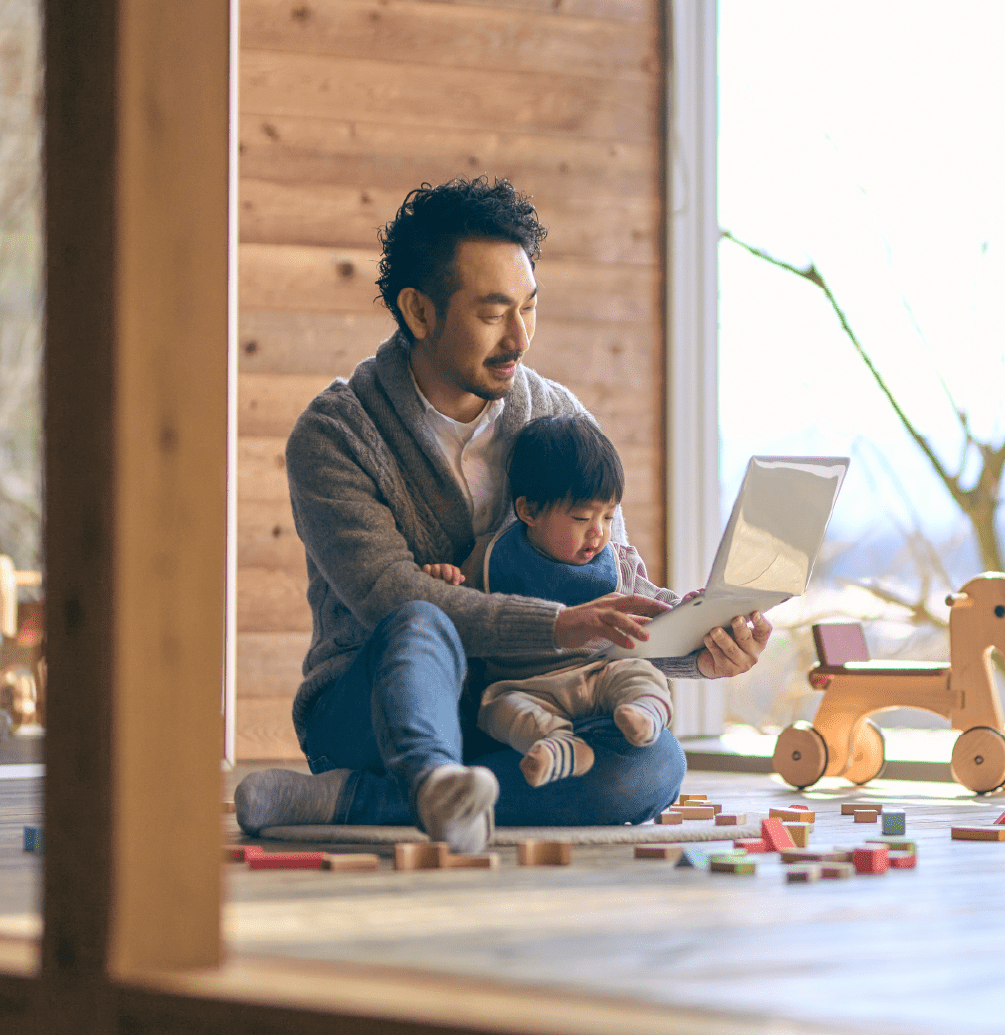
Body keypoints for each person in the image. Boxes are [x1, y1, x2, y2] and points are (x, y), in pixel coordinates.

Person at [234, 177, 770, 852]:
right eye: (494, 314)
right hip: (375, 713)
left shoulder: (559, 416)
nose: (520, 337)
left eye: (529, 308)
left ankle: (361, 801)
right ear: (419, 312)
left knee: (653, 764)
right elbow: (387, 596)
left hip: (525, 709)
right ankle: (425, 777)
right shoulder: (337, 434)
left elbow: (602, 584)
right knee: (419, 618)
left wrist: (698, 648)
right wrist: (560, 625)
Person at [421, 413, 681, 788]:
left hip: (601, 675)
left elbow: (657, 608)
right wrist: (442, 580)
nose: (599, 533)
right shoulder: (492, 557)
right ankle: (559, 747)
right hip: (524, 687)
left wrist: (693, 611)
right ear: (529, 511)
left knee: (641, 673)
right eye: (581, 518)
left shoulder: (618, 563)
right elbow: (459, 613)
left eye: (608, 517)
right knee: (497, 709)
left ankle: (645, 712)